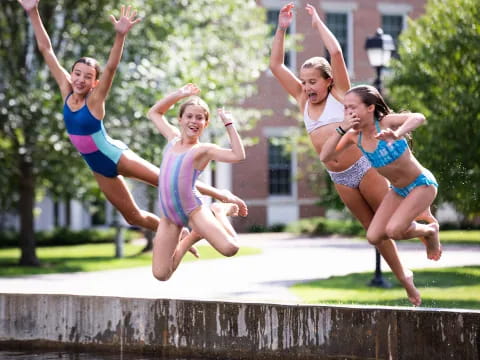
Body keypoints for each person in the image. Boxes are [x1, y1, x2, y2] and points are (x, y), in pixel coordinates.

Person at [18, 0, 247, 239]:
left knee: (166, 180)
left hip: (115, 155)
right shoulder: (66, 90)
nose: (80, 80)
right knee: (133, 217)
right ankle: (178, 236)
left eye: (88, 77)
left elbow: (111, 67)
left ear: (94, 83)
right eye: (77, 74)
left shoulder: (94, 100)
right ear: (71, 74)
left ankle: (221, 195)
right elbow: (46, 50)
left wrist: (120, 36)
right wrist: (33, 11)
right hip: (98, 167)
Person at [269, 3, 427, 306]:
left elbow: (337, 53)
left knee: (392, 219)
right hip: (339, 177)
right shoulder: (302, 99)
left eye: (313, 81)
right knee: (374, 232)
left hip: (364, 167)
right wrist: (282, 28)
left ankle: (424, 227)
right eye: (304, 82)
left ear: (328, 81)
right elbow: (276, 66)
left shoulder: (342, 96)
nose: (307, 86)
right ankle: (405, 278)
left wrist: (317, 24)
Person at [320, 84, 441, 261]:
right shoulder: (355, 135)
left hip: (421, 184)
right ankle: (418, 223)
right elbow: (326, 155)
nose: (348, 112)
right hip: (398, 191)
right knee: (373, 237)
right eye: (346, 108)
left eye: (353, 107)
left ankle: (430, 231)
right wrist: (342, 129)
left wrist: (398, 133)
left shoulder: (385, 123)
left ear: (370, 108)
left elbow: (419, 117)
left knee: (394, 230)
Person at [147, 83, 245, 281]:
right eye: (189, 116)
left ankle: (219, 211)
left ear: (205, 124)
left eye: (199, 118)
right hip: (168, 216)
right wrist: (179, 94)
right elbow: (154, 113)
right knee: (161, 274)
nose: (194, 121)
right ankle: (192, 237)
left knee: (230, 248)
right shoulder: (173, 139)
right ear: (180, 119)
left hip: (193, 211)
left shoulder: (202, 150)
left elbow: (238, 155)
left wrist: (229, 124)